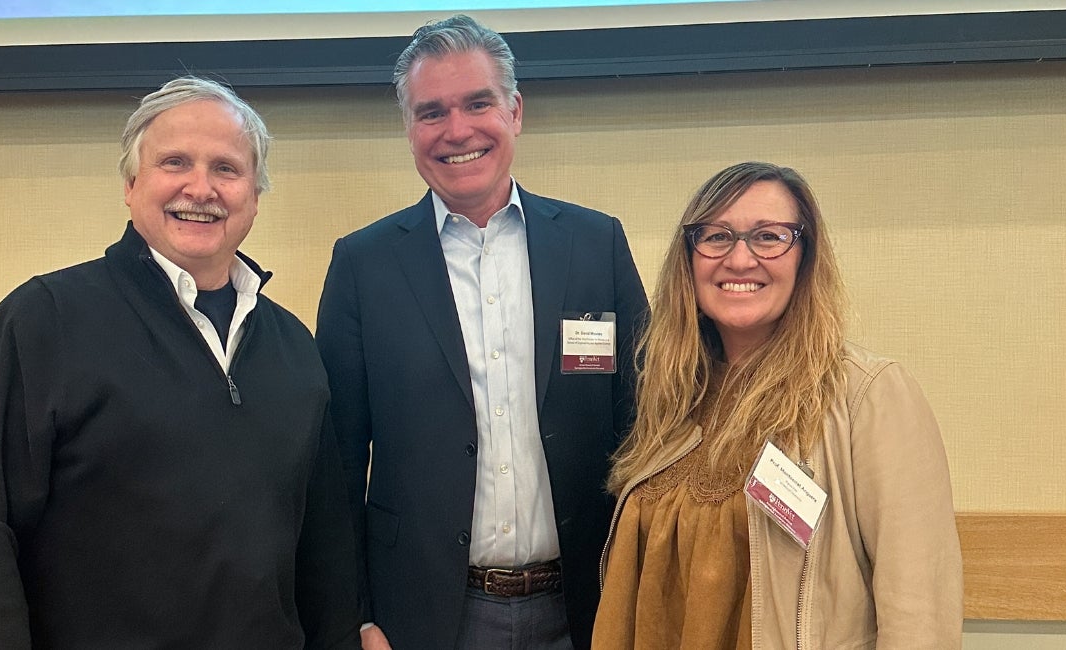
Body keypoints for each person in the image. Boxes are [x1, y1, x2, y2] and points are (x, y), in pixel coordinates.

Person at [0, 76, 362, 649]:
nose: (200, 188)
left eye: (226, 168)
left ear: (255, 195)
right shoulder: (40, 323)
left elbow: (323, 557)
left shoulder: (294, 349)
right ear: (131, 184)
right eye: (174, 162)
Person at [315, 14, 648, 650]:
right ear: (409, 130)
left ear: (515, 111)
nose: (457, 130)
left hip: (587, 606)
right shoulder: (364, 264)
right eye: (431, 111)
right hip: (426, 617)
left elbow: (643, 422)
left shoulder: (595, 245)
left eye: (478, 103)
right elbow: (335, 462)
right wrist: (355, 616)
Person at [593, 161, 963, 648]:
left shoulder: (867, 396)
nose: (740, 260)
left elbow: (920, 613)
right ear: (689, 258)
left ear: (805, 257)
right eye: (716, 236)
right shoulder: (672, 396)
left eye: (769, 237)